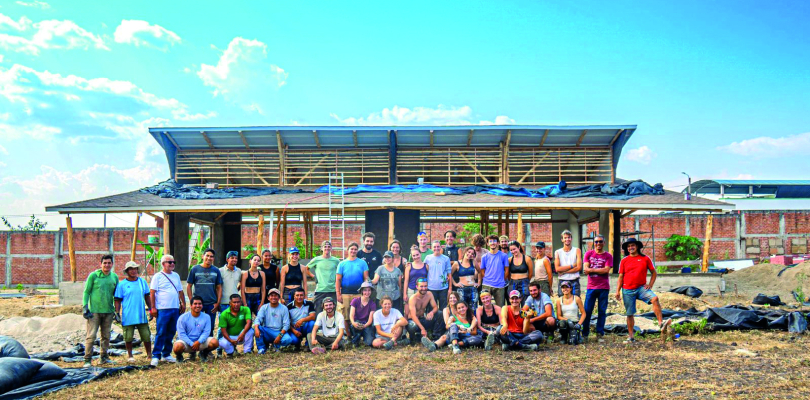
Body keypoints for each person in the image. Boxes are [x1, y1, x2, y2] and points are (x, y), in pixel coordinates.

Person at [615, 238, 671, 343]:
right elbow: (620, 277)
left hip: (641, 288)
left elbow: (654, 273)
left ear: (637, 247)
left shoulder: (645, 259)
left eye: (632, 245)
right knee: (630, 314)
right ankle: (631, 337)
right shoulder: (624, 260)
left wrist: (650, 284)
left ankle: (661, 323)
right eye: (628, 246)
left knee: (655, 298)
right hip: (627, 289)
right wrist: (617, 291)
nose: (630, 248)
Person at [82, 254, 118, 367]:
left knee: (106, 336)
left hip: (108, 311)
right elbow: (86, 292)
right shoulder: (94, 276)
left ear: (112, 264)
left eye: (109, 263)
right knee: (91, 336)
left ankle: (103, 357)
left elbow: (117, 296)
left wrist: (117, 312)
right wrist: (85, 307)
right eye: (104, 263)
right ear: (101, 264)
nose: (107, 265)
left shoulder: (114, 277)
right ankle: (87, 359)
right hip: (94, 312)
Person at [150, 254, 185, 366]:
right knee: (161, 332)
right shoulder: (158, 276)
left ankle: (166, 354)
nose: (172, 264)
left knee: (171, 331)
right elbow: (152, 293)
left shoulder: (176, 276)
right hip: (163, 309)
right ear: (163, 264)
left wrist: (183, 303)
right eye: (169, 262)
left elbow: (180, 291)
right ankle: (156, 355)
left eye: (173, 262)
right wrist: (153, 307)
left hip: (175, 308)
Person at [114, 261, 152, 363]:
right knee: (128, 337)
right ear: (127, 271)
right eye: (131, 269)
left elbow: (147, 296)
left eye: (135, 269)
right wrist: (117, 313)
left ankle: (149, 354)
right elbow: (117, 299)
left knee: (146, 336)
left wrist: (151, 309)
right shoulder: (122, 284)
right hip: (128, 315)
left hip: (141, 315)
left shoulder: (142, 282)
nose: (133, 271)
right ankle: (130, 355)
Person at [582, 234, 612, 342]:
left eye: (600, 241)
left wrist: (591, 269)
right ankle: (585, 334)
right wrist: (591, 269)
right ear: (593, 243)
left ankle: (599, 334)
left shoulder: (608, 256)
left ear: (604, 243)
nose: (598, 243)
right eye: (596, 242)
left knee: (602, 311)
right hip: (591, 287)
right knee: (587, 310)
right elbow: (585, 269)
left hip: (603, 287)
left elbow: (606, 270)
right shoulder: (588, 254)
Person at [186, 248, 223, 336]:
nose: (209, 258)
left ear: (213, 258)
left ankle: (207, 348)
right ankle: (197, 345)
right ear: (203, 256)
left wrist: (217, 303)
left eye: (211, 256)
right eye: (207, 256)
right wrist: (192, 302)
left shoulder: (216, 270)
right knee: (197, 326)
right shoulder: (195, 269)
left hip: (211, 304)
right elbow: (189, 286)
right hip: (198, 304)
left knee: (210, 326)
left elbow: (219, 287)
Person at [336, 242, 370, 333]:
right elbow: (338, 280)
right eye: (351, 249)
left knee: (358, 315)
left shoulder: (362, 263)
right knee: (346, 316)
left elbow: (366, 278)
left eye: (355, 249)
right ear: (348, 250)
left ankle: (358, 335)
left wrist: (366, 292)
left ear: (357, 251)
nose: (353, 251)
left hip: (359, 294)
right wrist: (338, 293)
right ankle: (348, 336)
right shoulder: (342, 264)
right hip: (345, 293)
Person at [173, 296, 219, 362]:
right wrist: (192, 344)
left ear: (202, 306)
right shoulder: (182, 318)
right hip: (187, 343)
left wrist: (198, 342)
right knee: (177, 347)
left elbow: (206, 332)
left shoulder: (206, 317)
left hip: (200, 343)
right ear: (191, 305)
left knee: (215, 342)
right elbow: (181, 334)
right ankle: (179, 357)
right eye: (195, 304)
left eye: (199, 304)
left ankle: (203, 353)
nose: (197, 306)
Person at [253, 289, 296, 353]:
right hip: (267, 330)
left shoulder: (284, 308)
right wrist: (256, 328)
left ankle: (276, 346)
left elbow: (286, 325)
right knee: (258, 328)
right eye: (271, 295)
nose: (273, 297)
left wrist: (280, 335)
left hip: (278, 331)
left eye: (276, 295)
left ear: (279, 297)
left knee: (288, 339)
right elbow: (258, 319)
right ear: (268, 298)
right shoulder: (264, 307)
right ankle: (261, 348)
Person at [307, 241, 340, 313]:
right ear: (322, 248)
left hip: (332, 290)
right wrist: (313, 276)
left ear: (331, 248)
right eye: (325, 247)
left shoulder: (336, 261)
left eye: (328, 247)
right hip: (320, 290)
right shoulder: (316, 259)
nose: (327, 248)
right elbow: (306, 269)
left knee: (332, 312)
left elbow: (340, 273)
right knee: (318, 311)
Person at [479, 235, 509, 306]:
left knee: (500, 306)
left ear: (498, 243)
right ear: (488, 244)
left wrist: (502, 279)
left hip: (500, 285)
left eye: (495, 241)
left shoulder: (504, 256)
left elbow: (507, 270)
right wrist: (486, 278)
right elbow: (482, 270)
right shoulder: (484, 257)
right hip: (487, 284)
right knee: (485, 306)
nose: (493, 243)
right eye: (491, 241)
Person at [425, 240, 452, 311]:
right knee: (431, 308)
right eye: (434, 247)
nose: (436, 248)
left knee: (443, 308)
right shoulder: (428, 258)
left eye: (438, 246)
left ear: (441, 247)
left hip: (443, 288)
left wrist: (450, 288)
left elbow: (449, 273)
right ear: (431, 248)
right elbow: (423, 268)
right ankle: (432, 322)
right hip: (431, 287)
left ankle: (442, 321)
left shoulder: (446, 258)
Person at [555, 230, 583, 296]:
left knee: (576, 302)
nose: (567, 239)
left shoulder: (577, 250)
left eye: (569, 237)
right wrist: (573, 265)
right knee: (562, 303)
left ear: (571, 239)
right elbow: (557, 269)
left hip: (574, 280)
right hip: (562, 280)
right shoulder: (558, 252)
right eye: (565, 238)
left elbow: (579, 268)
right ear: (562, 239)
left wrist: (564, 272)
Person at [403, 245, 427, 318]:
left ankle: (419, 326)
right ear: (411, 256)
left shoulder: (426, 266)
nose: (416, 257)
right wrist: (405, 293)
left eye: (417, 254)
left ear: (420, 254)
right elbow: (406, 280)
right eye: (414, 255)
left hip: (422, 290)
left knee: (420, 310)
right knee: (408, 311)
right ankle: (407, 327)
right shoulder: (409, 266)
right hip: (411, 290)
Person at [349, 282, 377, 347]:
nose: (367, 292)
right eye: (365, 290)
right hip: (356, 323)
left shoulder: (372, 304)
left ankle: (360, 335)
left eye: (369, 290)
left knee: (369, 343)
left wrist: (364, 326)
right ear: (361, 291)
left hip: (366, 324)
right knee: (355, 326)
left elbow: (370, 320)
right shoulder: (355, 301)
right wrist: (353, 323)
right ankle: (356, 339)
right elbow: (351, 315)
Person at [452, 246, 479, 314]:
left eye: (472, 254)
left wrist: (479, 282)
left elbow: (480, 272)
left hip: (472, 289)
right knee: (462, 308)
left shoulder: (473, 262)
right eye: (469, 252)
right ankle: (464, 323)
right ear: (465, 252)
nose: (470, 254)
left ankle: (474, 323)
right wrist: (455, 283)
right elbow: (449, 274)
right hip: (462, 289)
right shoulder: (457, 263)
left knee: (473, 309)